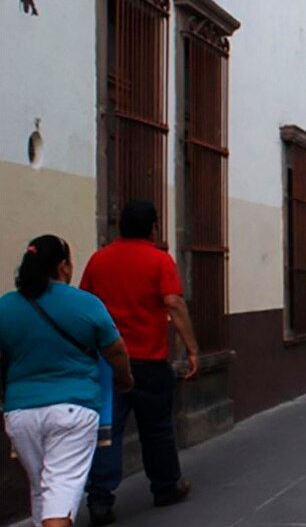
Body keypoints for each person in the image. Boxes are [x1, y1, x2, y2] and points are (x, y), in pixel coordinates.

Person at [1, 235, 134, 527]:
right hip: (73, 409)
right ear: (63, 267)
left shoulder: (6, 306)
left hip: (20, 413)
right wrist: (125, 379)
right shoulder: (86, 304)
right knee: (59, 493)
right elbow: (116, 349)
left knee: (42, 489)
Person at [83, 201, 201, 525]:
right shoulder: (159, 260)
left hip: (107, 362)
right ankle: (165, 486)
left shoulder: (99, 260)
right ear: (153, 228)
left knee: (107, 430)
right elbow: (174, 304)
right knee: (158, 429)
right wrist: (192, 348)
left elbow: (86, 304)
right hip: (149, 359)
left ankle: (100, 500)